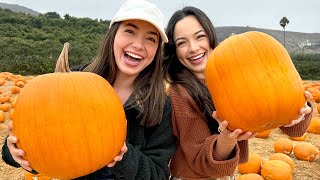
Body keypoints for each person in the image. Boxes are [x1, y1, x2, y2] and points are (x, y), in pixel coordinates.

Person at [2, 0, 176, 179]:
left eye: (151, 38)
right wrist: (14, 151)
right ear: (113, 35)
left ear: (157, 49)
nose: (138, 45)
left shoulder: (161, 106)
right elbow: (41, 145)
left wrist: (123, 155)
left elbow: (158, 175)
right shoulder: (67, 83)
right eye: (130, 31)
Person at [163, 6, 313, 180]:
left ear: (210, 37)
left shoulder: (236, 75)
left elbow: (290, 126)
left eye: (200, 37)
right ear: (174, 50)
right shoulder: (180, 93)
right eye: (182, 43)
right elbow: (199, 161)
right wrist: (226, 140)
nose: (193, 48)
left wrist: (299, 113)